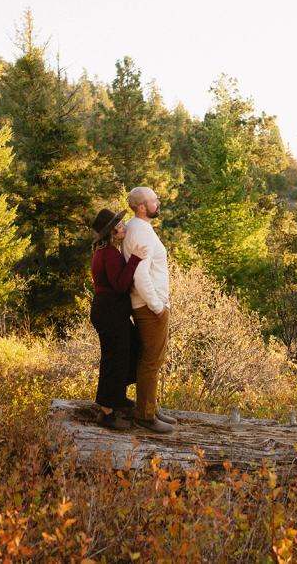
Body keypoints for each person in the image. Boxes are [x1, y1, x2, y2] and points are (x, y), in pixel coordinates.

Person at [122, 186, 176, 434]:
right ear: (142, 207)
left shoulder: (138, 228)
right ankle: (144, 416)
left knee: (153, 359)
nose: (158, 202)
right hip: (148, 307)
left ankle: (149, 407)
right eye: (154, 200)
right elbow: (140, 274)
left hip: (148, 305)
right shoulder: (140, 232)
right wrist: (157, 306)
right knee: (151, 361)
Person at [89, 208, 144, 430]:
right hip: (109, 311)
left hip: (110, 311)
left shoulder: (105, 251)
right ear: (110, 232)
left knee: (131, 348)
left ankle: (118, 397)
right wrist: (135, 260)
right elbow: (120, 285)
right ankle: (107, 411)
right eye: (118, 225)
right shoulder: (109, 253)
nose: (123, 227)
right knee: (114, 358)